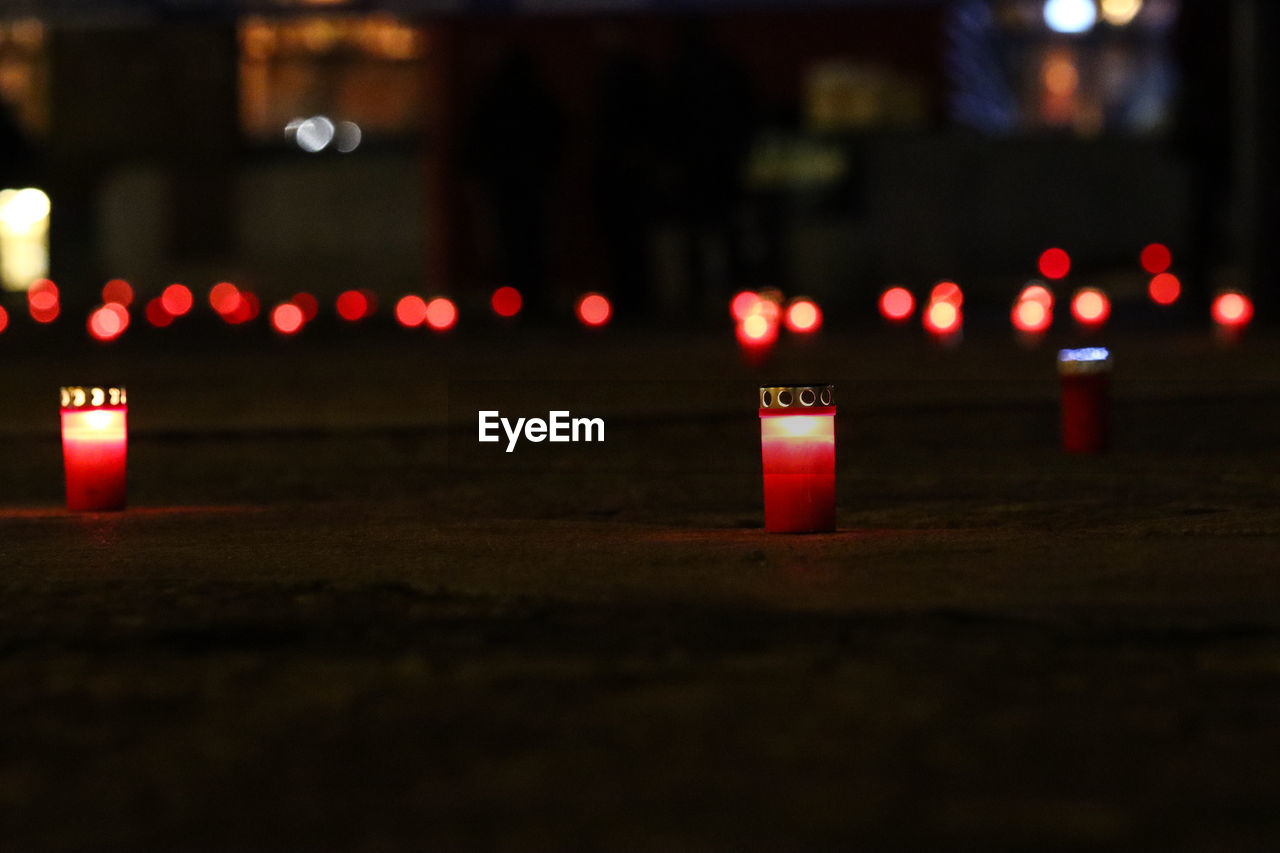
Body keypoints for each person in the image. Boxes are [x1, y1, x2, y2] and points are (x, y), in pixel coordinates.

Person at [660, 19, 757, 321]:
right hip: (720, 163)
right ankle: (737, 296)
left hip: (697, 165)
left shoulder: (678, 71)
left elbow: (666, 120)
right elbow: (749, 110)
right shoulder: (725, 68)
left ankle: (701, 298)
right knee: (727, 232)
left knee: (698, 235)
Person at [461, 49, 565, 318]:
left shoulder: (492, 98)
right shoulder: (535, 97)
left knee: (507, 245)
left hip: (502, 185)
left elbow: (473, 140)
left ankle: (510, 304)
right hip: (531, 183)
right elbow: (559, 130)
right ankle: (535, 302)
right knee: (533, 244)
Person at [590, 25, 660, 319]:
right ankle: (634, 302)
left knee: (629, 242)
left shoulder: (619, 78)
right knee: (627, 243)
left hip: (625, 173)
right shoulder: (619, 75)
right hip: (623, 173)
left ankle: (635, 303)